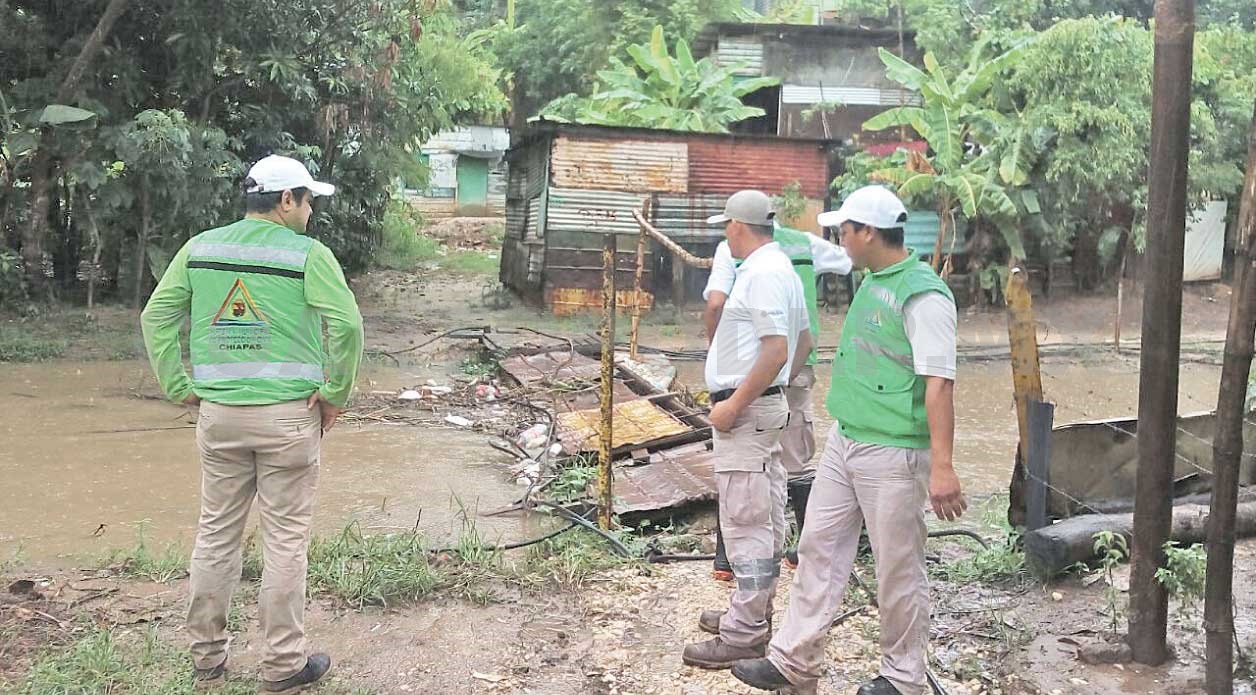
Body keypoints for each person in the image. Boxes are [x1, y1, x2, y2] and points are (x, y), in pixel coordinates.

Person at [730, 185, 966, 695]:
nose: (840, 239)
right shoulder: (874, 279)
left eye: (845, 230)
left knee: (897, 565)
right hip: (848, 436)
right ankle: (794, 660)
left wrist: (942, 467)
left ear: (867, 232)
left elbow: (939, 383)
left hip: (895, 450)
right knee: (818, 545)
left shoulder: (922, 294)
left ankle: (903, 679)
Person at [141, 155, 364, 693]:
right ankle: (283, 666)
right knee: (285, 542)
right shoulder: (309, 255)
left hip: (218, 420)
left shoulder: (201, 248)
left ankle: (207, 661)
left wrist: (180, 387)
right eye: (309, 201)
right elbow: (349, 327)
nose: (311, 212)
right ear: (286, 200)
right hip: (290, 419)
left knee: (216, 535)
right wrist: (334, 394)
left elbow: (156, 318)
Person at [682, 190, 812, 670]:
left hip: (746, 413)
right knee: (766, 511)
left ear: (738, 226)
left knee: (745, 519)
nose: (725, 235)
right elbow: (804, 343)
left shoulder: (760, 274)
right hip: (764, 410)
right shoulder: (782, 270)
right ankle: (752, 611)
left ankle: (745, 632)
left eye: (726, 227)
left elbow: (776, 349)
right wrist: (777, 393)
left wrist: (737, 403)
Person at [704, 222, 852, 580]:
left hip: (750, 375)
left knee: (743, 473)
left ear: (739, 226)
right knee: (790, 462)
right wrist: (781, 378)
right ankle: (803, 551)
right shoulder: (801, 248)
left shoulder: (735, 253)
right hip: (793, 372)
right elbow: (845, 263)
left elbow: (715, 304)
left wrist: (721, 358)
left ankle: (729, 565)